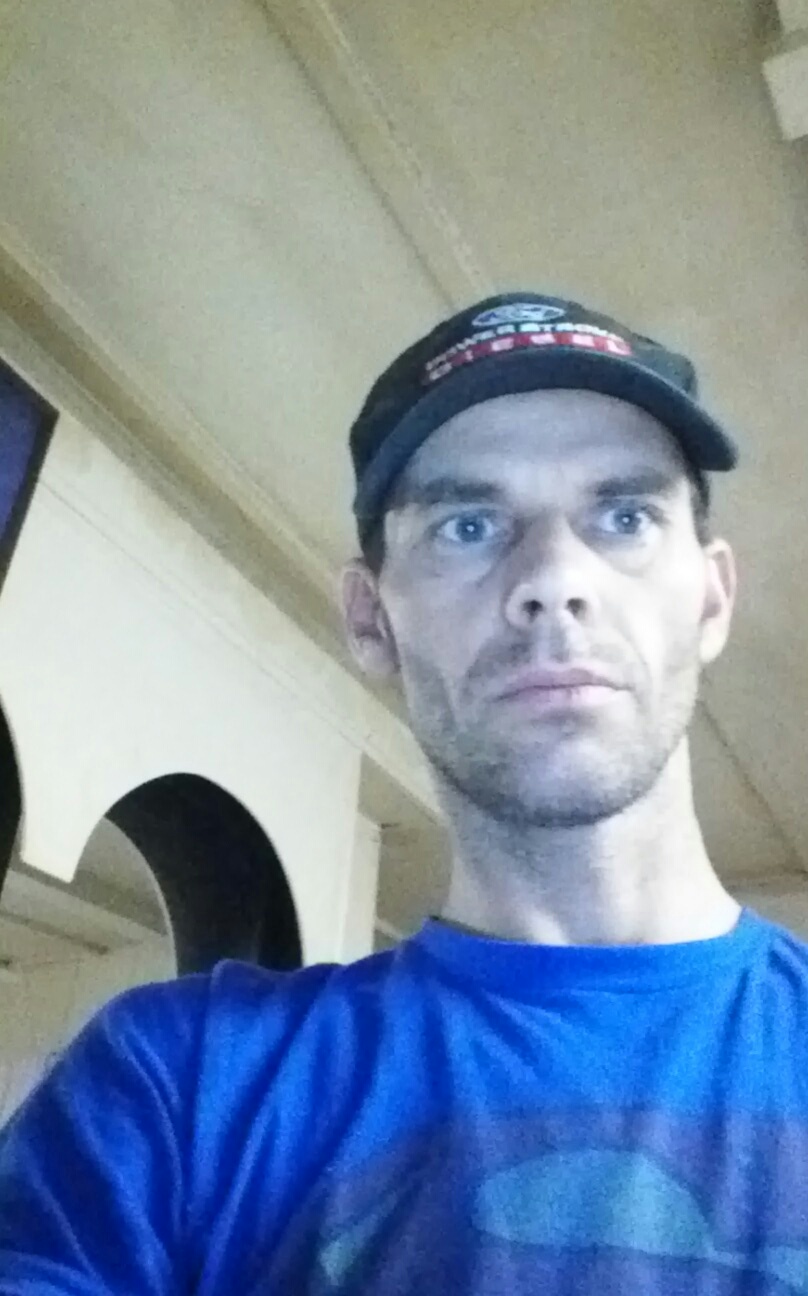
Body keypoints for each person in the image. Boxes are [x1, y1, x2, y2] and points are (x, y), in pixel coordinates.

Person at [1, 292, 806, 1295]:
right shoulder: (173, 1086)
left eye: (625, 516)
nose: (554, 578)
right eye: (469, 525)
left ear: (712, 599)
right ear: (371, 619)